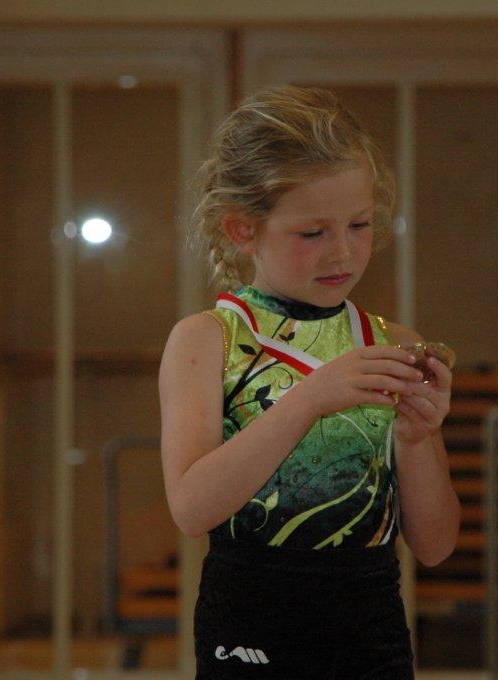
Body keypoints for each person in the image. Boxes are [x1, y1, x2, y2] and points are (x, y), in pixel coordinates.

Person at [159, 86, 460, 679]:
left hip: (370, 628)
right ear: (243, 230)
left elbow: (435, 545)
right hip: (249, 624)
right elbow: (192, 508)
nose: (342, 252)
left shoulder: (389, 342)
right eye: (313, 233)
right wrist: (310, 399)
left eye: (359, 225)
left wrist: (418, 437)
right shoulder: (208, 338)